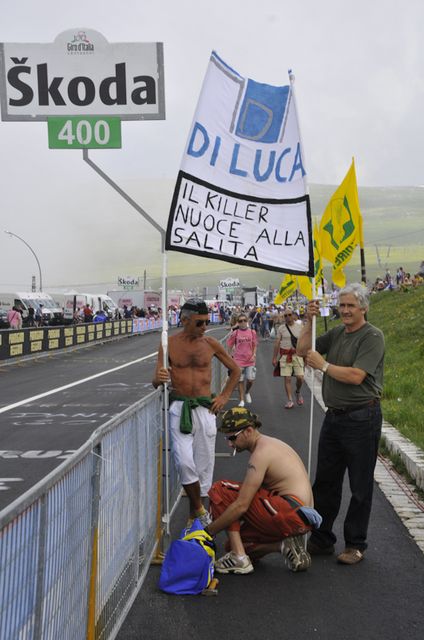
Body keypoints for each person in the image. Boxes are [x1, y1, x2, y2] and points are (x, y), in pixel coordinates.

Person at [297, 283, 385, 565]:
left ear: (364, 308)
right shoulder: (336, 333)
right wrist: (309, 320)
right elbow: (303, 350)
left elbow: (357, 376)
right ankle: (322, 538)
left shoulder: (372, 336)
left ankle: (355, 544)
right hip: (334, 416)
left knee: (360, 485)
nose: (345, 311)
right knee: (325, 481)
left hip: (362, 417)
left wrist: (323, 366)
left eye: (351, 306)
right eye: (342, 305)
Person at [152, 298, 240, 527]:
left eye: (206, 322)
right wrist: (158, 379)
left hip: (205, 409)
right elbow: (156, 379)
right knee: (183, 462)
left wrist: (223, 397)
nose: (204, 328)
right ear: (184, 320)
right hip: (180, 408)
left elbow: (235, 370)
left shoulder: (210, 343)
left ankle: (195, 519)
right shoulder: (167, 344)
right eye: (199, 323)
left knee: (204, 467)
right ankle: (201, 510)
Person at [204, 407, 321, 575]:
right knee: (234, 544)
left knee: (220, 490)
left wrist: (208, 532)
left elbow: (241, 505)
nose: (230, 444)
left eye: (232, 437)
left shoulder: (261, 453)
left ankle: (239, 559)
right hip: (300, 518)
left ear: (249, 431)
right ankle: (281, 546)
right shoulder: (272, 443)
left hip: (289, 511)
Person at [272, 309, 305, 409]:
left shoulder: (300, 327)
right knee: (287, 378)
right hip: (285, 356)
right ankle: (290, 400)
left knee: (300, 377)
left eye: (289, 315)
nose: (287, 317)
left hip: (297, 355)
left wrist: (306, 355)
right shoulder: (281, 328)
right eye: (285, 316)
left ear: (293, 315)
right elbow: (277, 343)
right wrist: (274, 357)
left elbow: (304, 341)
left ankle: (298, 392)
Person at [227, 313, 257, 407]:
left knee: (250, 380)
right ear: (238, 323)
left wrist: (254, 354)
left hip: (250, 360)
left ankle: (247, 392)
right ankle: (241, 400)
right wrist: (230, 356)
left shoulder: (252, 332)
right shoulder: (235, 333)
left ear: (247, 321)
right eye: (240, 321)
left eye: (244, 320)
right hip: (238, 360)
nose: (243, 322)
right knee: (240, 381)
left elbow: (254, 344)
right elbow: (229, 345)